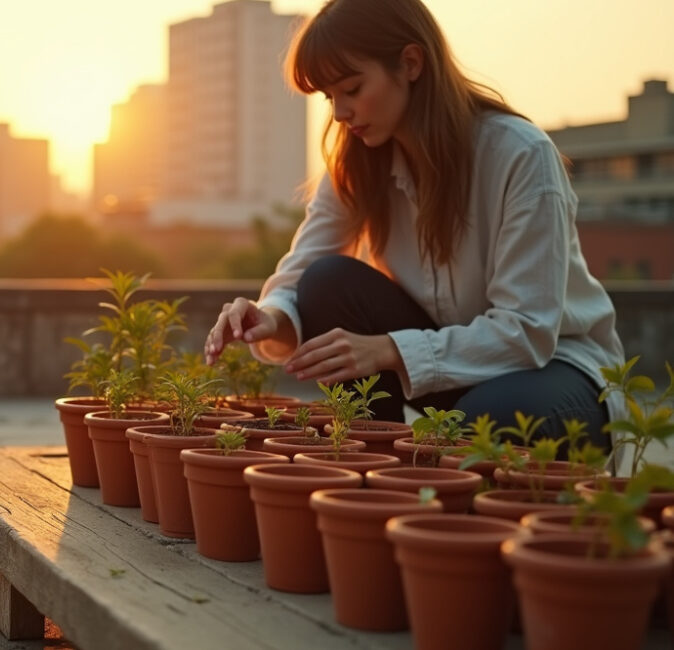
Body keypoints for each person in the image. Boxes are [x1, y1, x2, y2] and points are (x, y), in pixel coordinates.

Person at [203, 0, 623, 454]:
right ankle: (371, 470)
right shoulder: (355, 164)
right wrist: (271, 317)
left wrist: (389, 350)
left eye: (352, 88)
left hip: (554, 370)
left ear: (410, 63)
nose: (340, 112)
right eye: (329, 97)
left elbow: (528, 331)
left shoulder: (520, 156)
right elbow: (302, 269)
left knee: (490, 422)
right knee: (327, 280)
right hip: (449, 375)